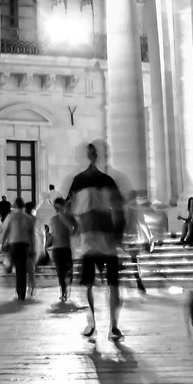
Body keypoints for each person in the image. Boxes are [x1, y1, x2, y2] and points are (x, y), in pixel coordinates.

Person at [66, 144, 127, 341]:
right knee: (105, 285)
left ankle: (105, 324)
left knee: (101, 285)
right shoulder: (103, 180)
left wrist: (74, 226)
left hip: (96, 240)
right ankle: (106, 325)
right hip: (97, 241)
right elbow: (119, 209)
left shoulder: (81, 181)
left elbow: (67, 210)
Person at [3, 200, 38, 303]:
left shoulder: (11, 216)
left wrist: (3, 243)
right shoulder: (28, 218)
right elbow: (32, 236)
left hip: (13, 244)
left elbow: (5, 230)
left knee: (16, 268)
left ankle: (10, 266)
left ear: (15, 206)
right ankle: (21, 294)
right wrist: (32, 248)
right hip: (24, 245)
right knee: (22, 270)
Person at [46, 195, 76, 305]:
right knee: (61, 272)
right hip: (59, 248)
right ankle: (64, 292)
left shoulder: (69, 218)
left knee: (65, 271)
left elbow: (75, 230)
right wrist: (46, 245)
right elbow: (53, 235)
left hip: (64, 248)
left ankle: (65, 291)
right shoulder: (54, 219)